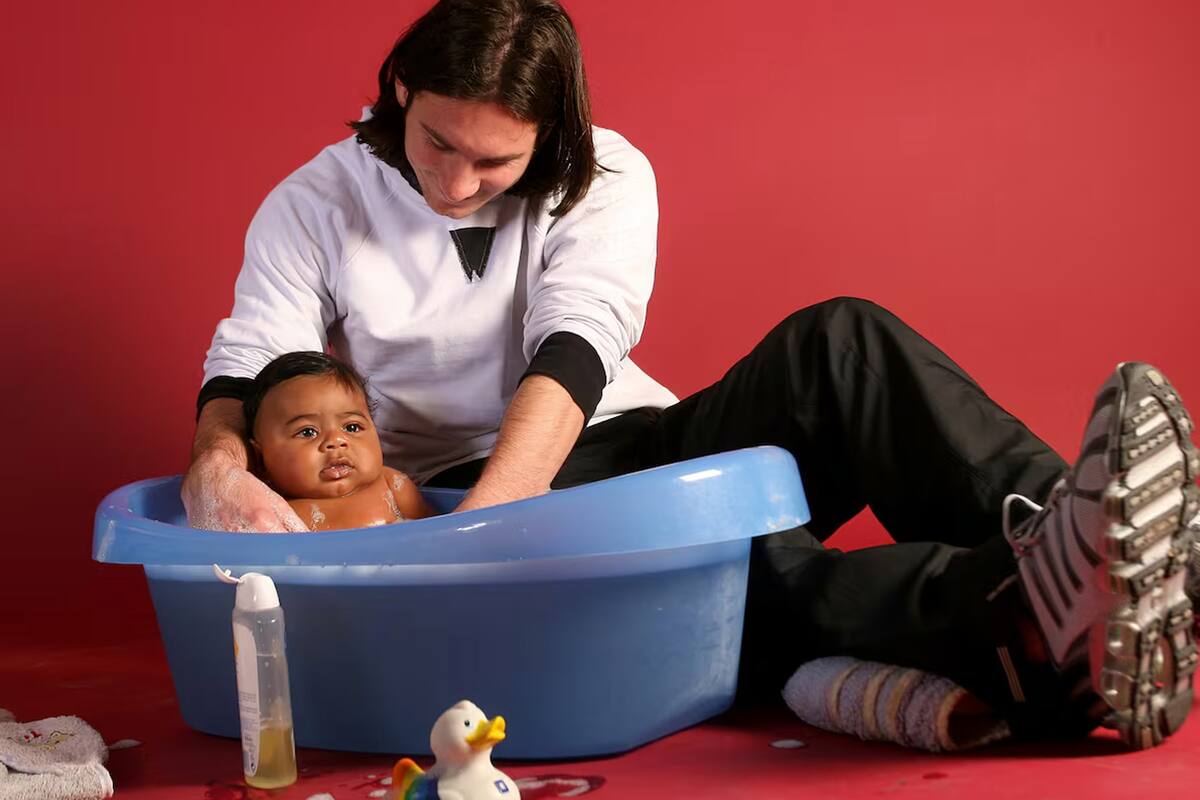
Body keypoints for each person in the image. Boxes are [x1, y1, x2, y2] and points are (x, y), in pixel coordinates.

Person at [182, 0, 1199, 750]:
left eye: (494, 164)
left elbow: (575, 347)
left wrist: (498, 524)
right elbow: (250, 360)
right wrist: (219, 467)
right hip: (458, 491)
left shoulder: (609, 172)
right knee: (749, 572)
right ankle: (1032, 609)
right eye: (437, 139)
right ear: (400, 86)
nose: (456, 181)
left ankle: (1083, 531)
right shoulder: (313, 202)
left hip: (602, 444)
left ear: (552, 139)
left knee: (840, 340)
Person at [242, 352, 435, 531]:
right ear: (260, 457)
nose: (335, 441)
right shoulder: (266, 509)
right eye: (308, 432)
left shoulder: (393, 487)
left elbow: (435, 538)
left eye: (352, 427)